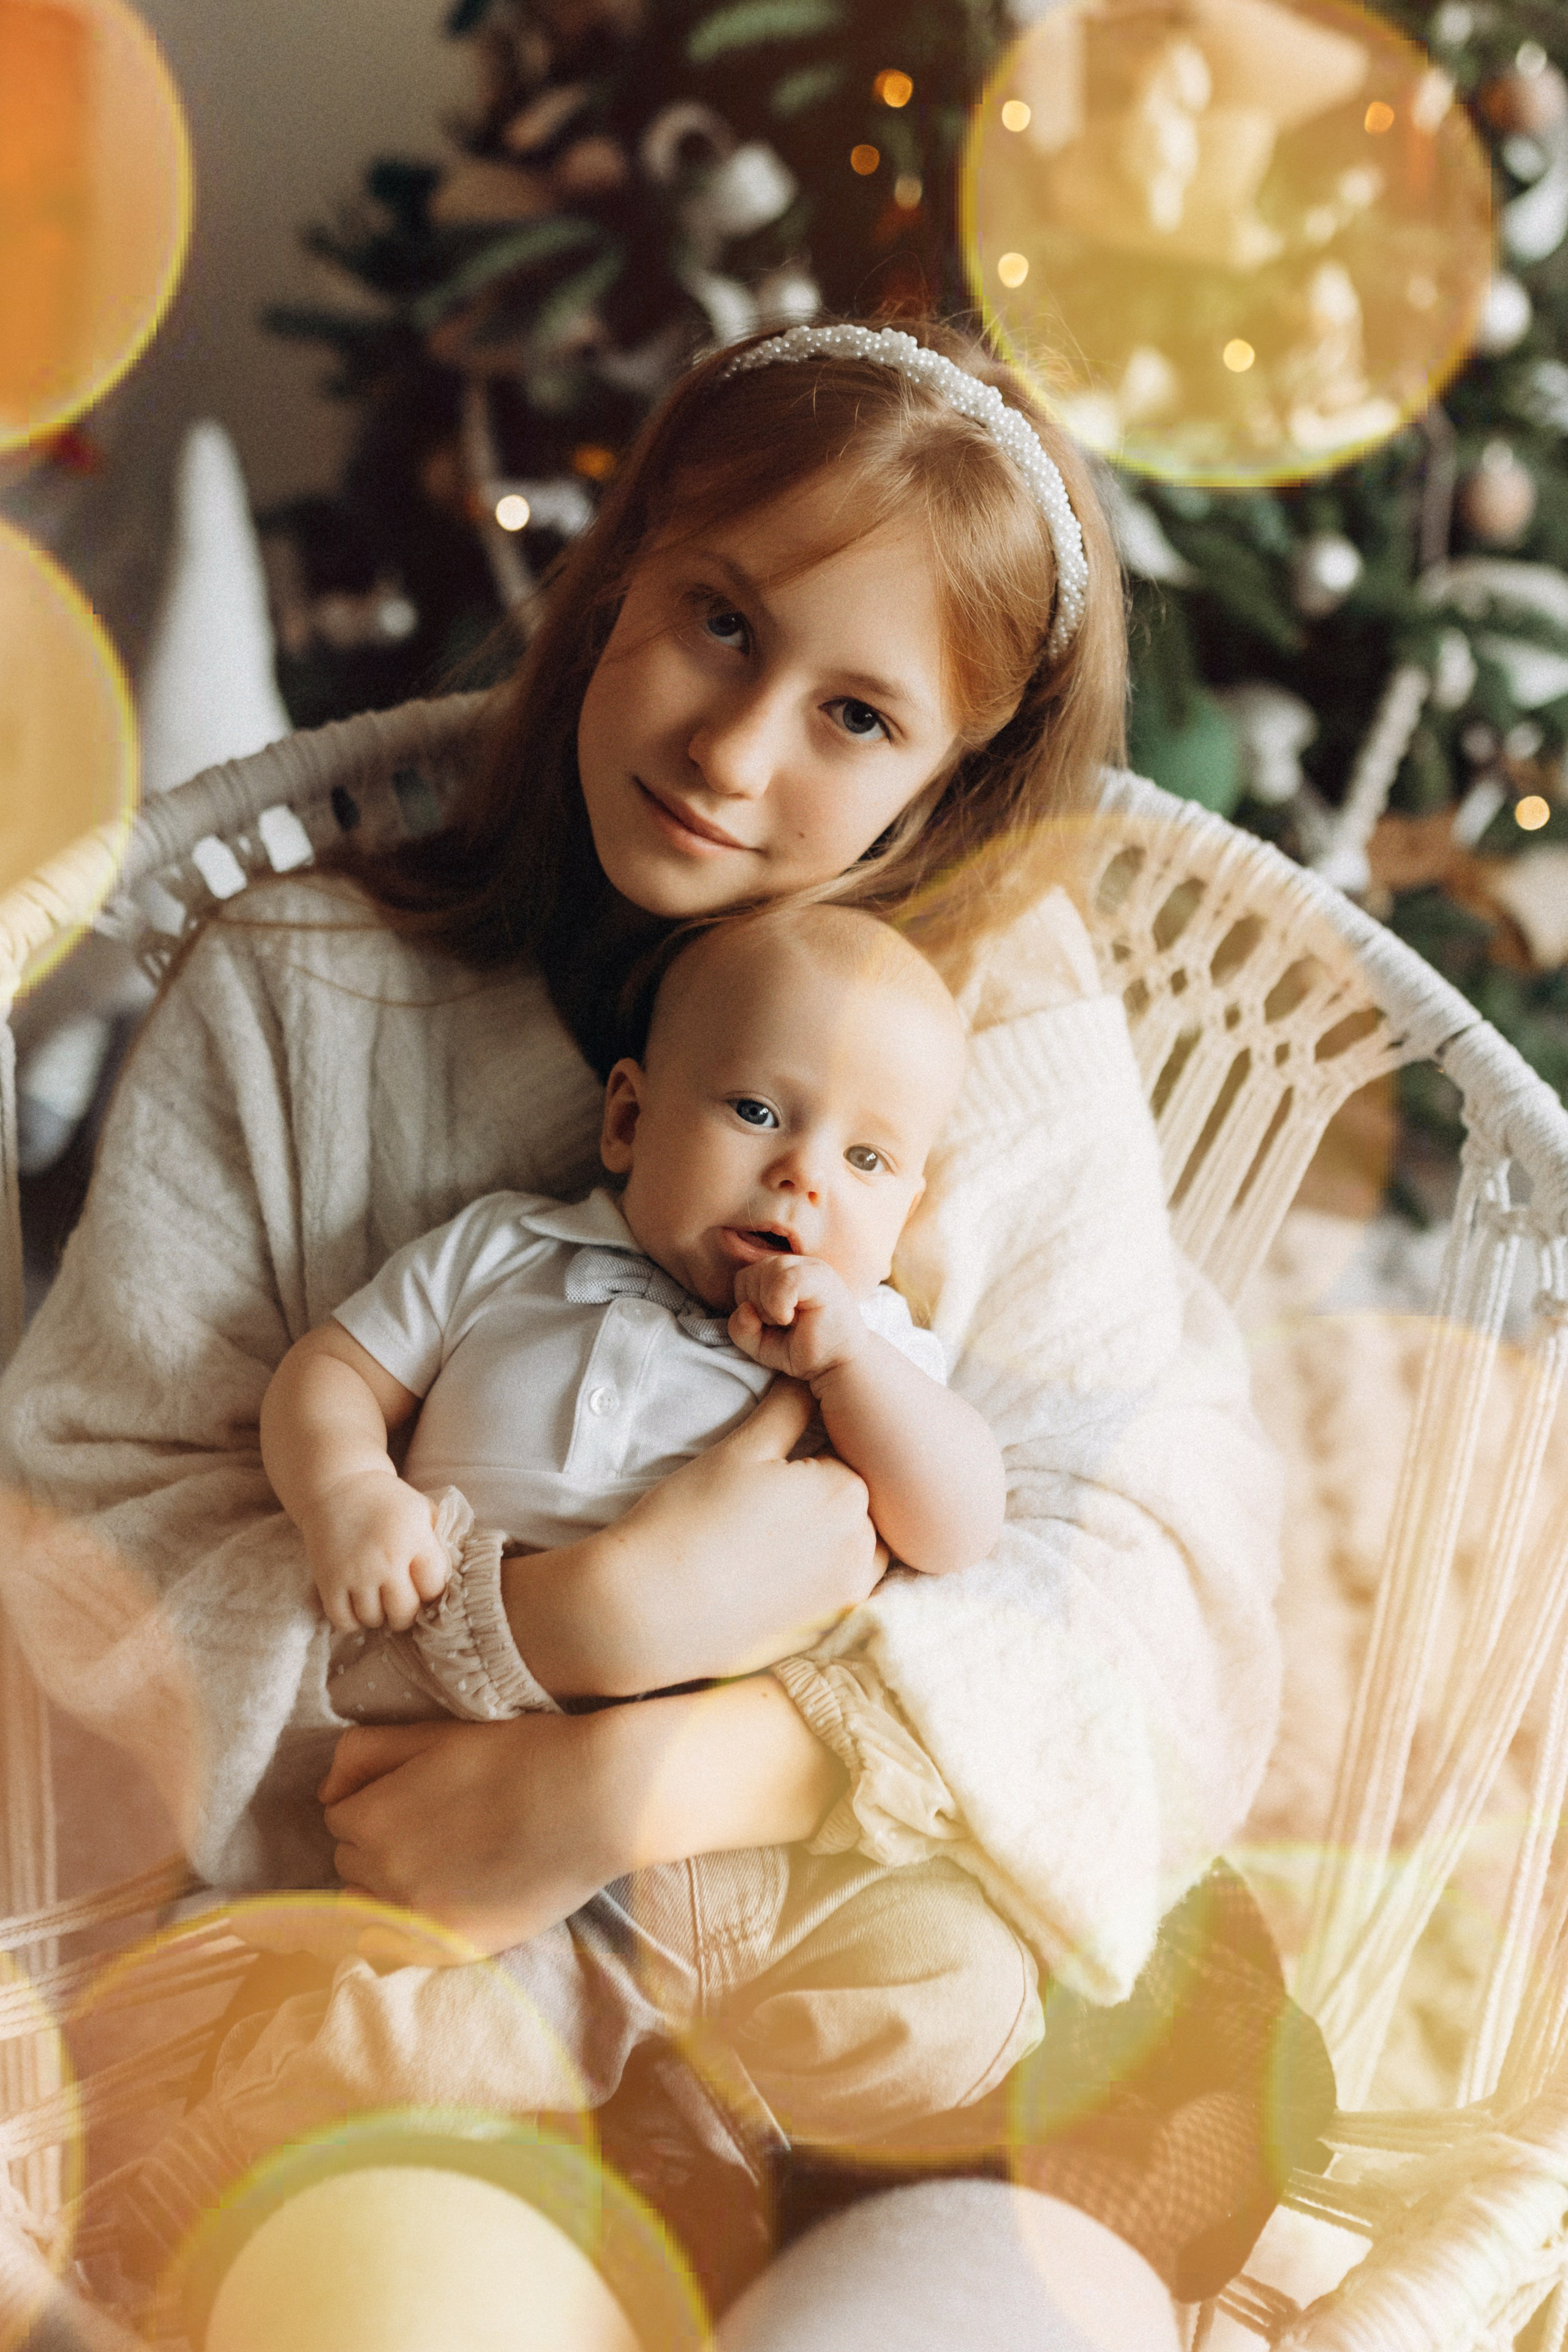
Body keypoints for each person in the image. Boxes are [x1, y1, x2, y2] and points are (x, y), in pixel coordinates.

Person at [0, 320, 1292, 2344]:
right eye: (714, 620)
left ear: (957, 770)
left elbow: (1149, 1581)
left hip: (892, 2005)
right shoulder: (302, 988)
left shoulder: (999, 1033)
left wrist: (695, 1761)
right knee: (369, 2235)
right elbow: (79, 1567)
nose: (733, 747)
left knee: (1109, 2129)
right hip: (409, 1974)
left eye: (859, 716)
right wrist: (557, 1625)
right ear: (614, 576)